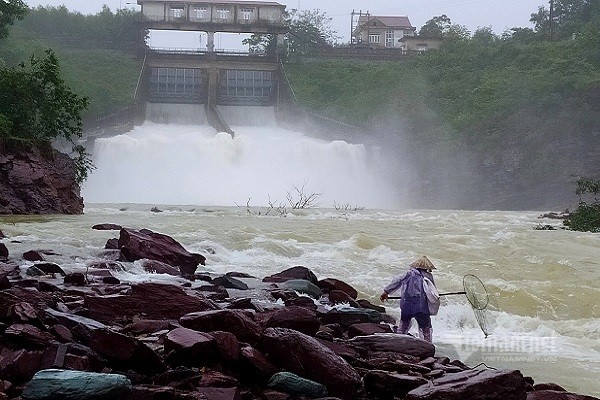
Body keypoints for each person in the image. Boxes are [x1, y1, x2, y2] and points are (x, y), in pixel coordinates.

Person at [380, 255, 437, 343]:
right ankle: (428, 346)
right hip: (422, 307)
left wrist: (386, 292)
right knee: (425, 329)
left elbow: (397, 281)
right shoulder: (428, 277)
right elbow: (432, 293)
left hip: (407, 305)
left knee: (403, 326)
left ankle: (399, 343)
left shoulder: (408, 274)